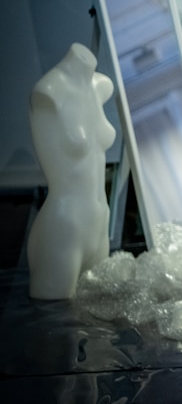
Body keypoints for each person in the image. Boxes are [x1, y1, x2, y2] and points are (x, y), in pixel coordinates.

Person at [28, 43, 116, 299]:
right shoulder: (49, 91)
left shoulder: (99, 86)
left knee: (99, 324)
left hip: (100, 221)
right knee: (55, 326)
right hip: (65, 225)